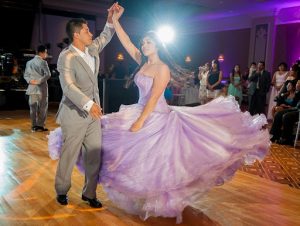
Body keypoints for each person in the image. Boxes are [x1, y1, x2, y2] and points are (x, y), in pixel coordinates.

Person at [48, 3, 269, 223]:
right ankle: (74, 189)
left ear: (158, 46)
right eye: (143, 42)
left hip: (156, 116)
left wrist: (140, 122)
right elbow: (124, 41)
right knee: (131, 155)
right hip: (137, 111)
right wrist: (114, 21)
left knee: (156, 162)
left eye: (148, 42)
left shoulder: (162, 69)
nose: (143, 45)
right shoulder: (140, 61)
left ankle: (147, 198)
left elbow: (153, 99)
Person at [53, 4, 116, 208]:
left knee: (94, 155)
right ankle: (62, 190)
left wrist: (110, 19)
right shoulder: (66, 56)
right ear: (77, 35)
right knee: (69, 155)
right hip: (74, 113)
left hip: (93, 114)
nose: (91, 33)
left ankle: (89, 193)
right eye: (87, 30)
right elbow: (68, 86)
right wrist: (88, 104)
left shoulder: (91, 49)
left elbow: (105, 37)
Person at [24, 45, 51, 132]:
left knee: (33, 108)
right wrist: (39, 81)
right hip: (41, 88)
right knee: (42, 107)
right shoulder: (43, 62)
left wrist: (30, 81)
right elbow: (48, 75)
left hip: (32, 88)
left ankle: (33, 126)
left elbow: (26, 75)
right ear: (41, 53)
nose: (46, 54)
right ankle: (40, 126)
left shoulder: (29, 62)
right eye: (46, 52)